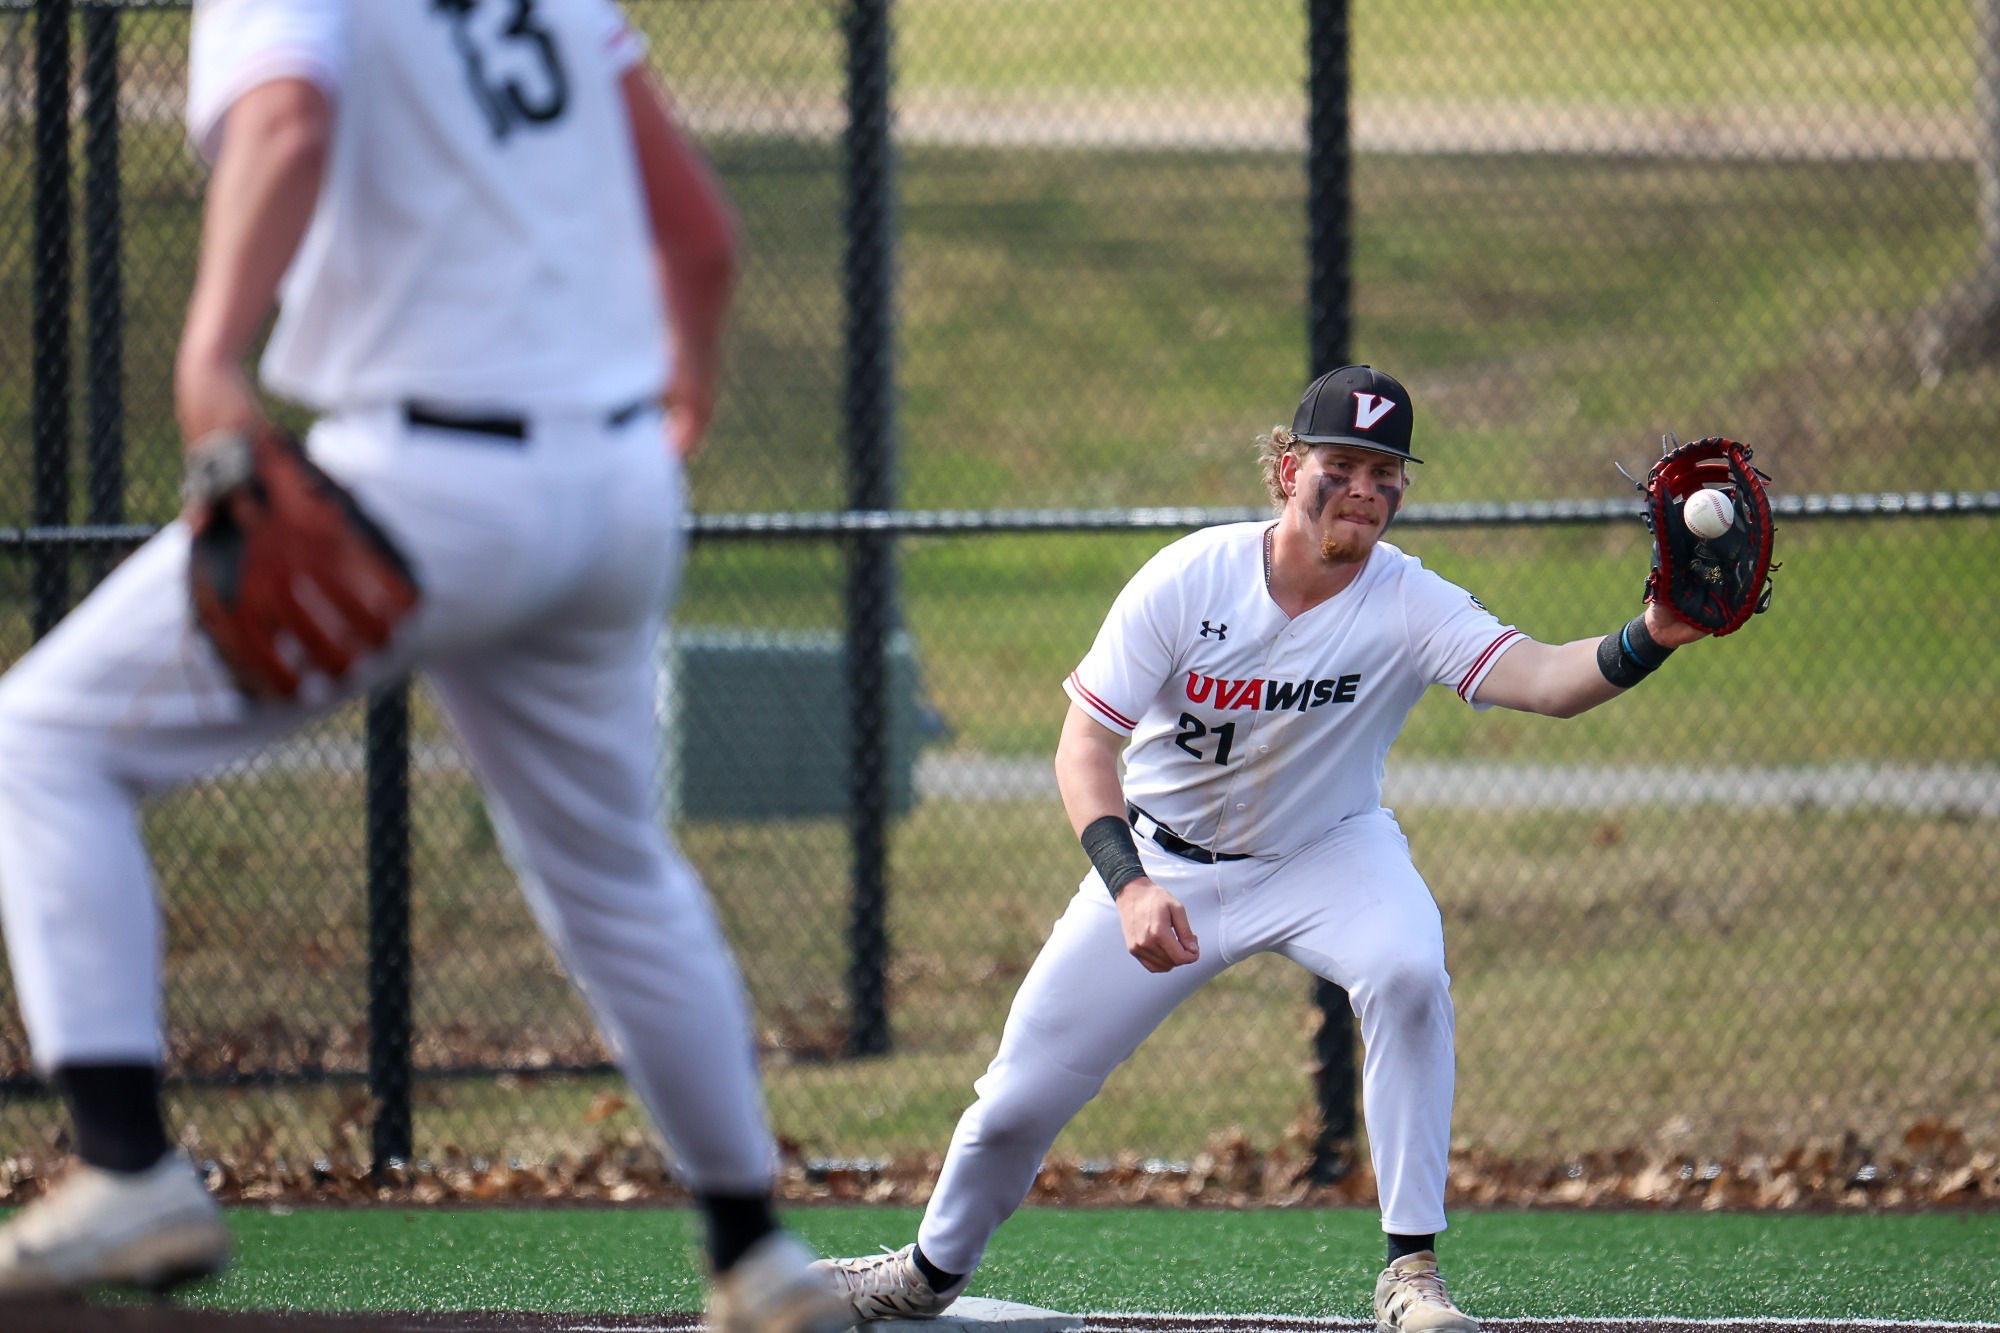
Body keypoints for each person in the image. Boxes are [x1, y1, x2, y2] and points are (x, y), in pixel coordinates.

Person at [0, 3, 845, 1329]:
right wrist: (685, 388)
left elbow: (285, 120)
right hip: (615, 484)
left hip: (421, 477)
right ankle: (757, 1254)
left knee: (42, 742)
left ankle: (126, 1168)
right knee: (617, 870)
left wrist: (210, 351)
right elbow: (702, 234)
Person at [812, 365, 1716, 1332]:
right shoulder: (1188, 577)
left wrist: (1652, 633)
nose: (1367, 488)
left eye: (1387, 470)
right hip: (1162, 864)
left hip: (1329, 855)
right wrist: (1126, 886)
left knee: (1408, 970)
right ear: (1288, 470)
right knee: (1013, 1102)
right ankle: (926, 1274)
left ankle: (1410, 1273)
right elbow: (1085, 743)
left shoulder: (1408, 599)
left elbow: (1542, 678)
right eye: (1343, 464)